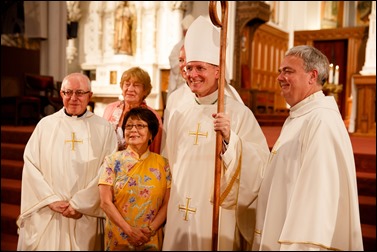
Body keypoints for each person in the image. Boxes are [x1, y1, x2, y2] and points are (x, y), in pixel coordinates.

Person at [162, 16, 270, 250]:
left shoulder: (237, 113)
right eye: (189, 67)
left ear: (218, 71)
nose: (193, 74)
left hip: (216, 207)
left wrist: (231, 140)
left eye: (201, 68)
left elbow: (260, 164)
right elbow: (169, 161)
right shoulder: (178, 109)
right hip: (179, 203)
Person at [252, 45, 364, 250]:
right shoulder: (302, 115)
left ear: (312, 76)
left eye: (288, 71)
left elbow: (317, 200)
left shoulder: (321, 121)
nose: (279, 77)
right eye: (280, 71)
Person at [16, 73, 118, 250]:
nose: (73, 98)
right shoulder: (45, 125)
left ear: (89, 95)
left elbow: (107, 170)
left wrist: (81, 203)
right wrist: (50, 199)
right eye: (68, 92)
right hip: (49, 211)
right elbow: (31, 164)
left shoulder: (104, 128)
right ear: (61, 94)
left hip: (84, 214)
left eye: (79, 92)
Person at [98, 107, 171, 250]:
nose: (133, 130)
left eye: (140, 126)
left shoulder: (163, 164)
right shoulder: (112, 161)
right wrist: (129, 231)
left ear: (151, 133)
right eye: (129, 126)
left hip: (150, 237)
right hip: (118, 238)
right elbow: (105, 202)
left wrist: (149, 231)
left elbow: (167, 204)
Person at [103, 66, 163, 154]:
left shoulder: (152, 116)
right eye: (127, 84)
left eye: (136, 85)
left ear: (145, 90)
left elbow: (156, 150)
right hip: (109, 164)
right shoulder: (110, 109)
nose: (130, 89)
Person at [166, 14, 194, 99]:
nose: (185, 32)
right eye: (184, 30)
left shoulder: (197, 44)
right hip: (179, 83)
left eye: (187, 30)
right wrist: (182, 65)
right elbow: (172, 59)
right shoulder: (179, 46)